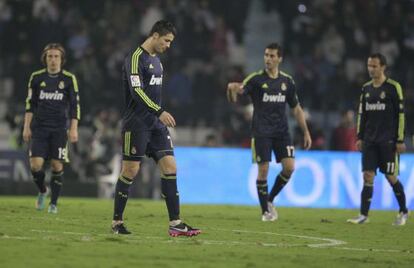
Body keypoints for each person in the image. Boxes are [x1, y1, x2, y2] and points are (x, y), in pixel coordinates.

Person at [111, 20, 201, 237]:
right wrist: (159, 111)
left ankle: (176, 223)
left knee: (170, 167)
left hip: (155, 125)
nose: (169, 45)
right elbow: (137, 92)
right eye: (166, 40)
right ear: (154, 35)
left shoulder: (158, 62)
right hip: (137, 124)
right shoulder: (134, 59)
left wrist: (158, 116)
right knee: (130, 171)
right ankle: (117, 222)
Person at [227, 43, 312, 221]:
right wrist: (232, 89)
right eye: (266, 55)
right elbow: (237, 95)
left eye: (272, 56)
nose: (268, 59)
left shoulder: (287, 81)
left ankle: (270, 199)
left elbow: (296, 109)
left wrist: (306, 132)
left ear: (280, 58)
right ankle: (265, 211)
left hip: (282, 132)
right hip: (261, 132)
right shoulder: (256, 79)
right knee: (263, 170)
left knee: (289, 168)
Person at [347, 53, 409, 225]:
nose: (371, 69)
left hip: (388, 141)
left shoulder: (393, 87)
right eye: (369, 66)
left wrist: (399, 139)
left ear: (383, 67)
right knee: (368, 176)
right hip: (369, 141)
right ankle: (363, 215)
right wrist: (359, 137)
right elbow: (362, 114)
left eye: (374, 66)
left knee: (391, 177)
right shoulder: (366, 88)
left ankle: (403, 211)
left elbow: (401, 115)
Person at [23, 43, 80, 214]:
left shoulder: (69, 79)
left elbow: (74, 106)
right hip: (39, 128)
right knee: (35, 166)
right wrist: (26, 127)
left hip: (59, 129)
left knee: (56, 165)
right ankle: (42, 191)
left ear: (62, 60)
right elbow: (30, 104)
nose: (53, 60)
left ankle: (53, 204)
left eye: (56, 56)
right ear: (45, 59)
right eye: (50, 56)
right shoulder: (36, 77)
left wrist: (73, 128)